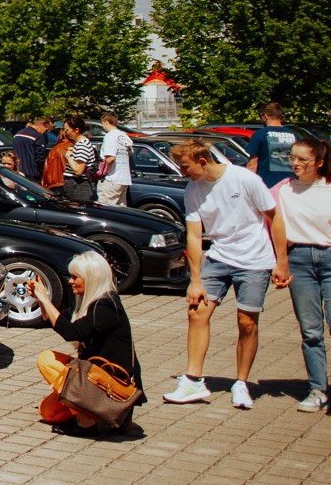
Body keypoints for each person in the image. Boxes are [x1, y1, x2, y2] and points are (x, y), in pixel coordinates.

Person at [163, 139, 280, 408]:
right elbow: (194, 236)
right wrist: (195, 280)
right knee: (196, 312)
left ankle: (241, 383)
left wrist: (281, 261)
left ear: (203, 161)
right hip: (218, 256)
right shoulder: (192, 189)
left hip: (254, 259)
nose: (182, 172)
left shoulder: (244, 179)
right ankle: (192, 381)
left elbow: (273, 217)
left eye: (185, 167)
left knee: (246, 323)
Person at [33, 251, 139, 435]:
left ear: (91, 279)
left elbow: (71, 332)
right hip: (92, 375)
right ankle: (96, 414)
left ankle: (87, 422)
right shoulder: (89, 302)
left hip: (109, 383)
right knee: (48, 412)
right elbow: (55, 319)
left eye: (75, 277)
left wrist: (44, 299)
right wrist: (42, 300)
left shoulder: (106, 306)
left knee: (46, 359)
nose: (70, 281)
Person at [273, 135, 331, 412]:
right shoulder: (284, 190)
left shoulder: (327, 187)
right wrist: (281, 262)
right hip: (299, 261)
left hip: (329, 256)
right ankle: (318, 389)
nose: (295, 163)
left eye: (302, 159)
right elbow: (273, 223)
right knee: (310, 331)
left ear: (319, 162)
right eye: (292, 157)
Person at [244, 102, 299, 189]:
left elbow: (252, 165)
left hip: (267, 185)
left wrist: (247, 186)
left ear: (266, 116)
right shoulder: (293, 134)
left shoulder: (259, 134)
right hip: (291, 183)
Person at [95, 111, 134, 208]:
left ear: (106, 122)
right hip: (124, 179)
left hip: (111, 179)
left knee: (105, 209)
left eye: (102, 123)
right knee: (120, 209)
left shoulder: (110, 136)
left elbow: (111, 158)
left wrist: (102, 173)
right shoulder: (124, 136)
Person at [13, 117, 52, 182]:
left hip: (17, 172)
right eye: (45, 130)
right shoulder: (38, 137)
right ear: (42, 125)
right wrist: (42, 173)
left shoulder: (18, 134)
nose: (44, 133)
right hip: (31, 174)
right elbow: (40, 158)